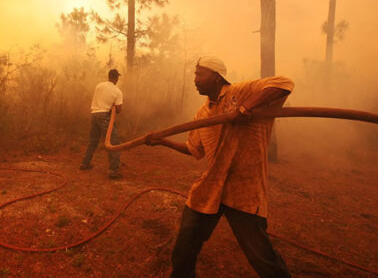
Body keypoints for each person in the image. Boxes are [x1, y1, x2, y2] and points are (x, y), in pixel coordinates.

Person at [146, 56, 293, 277]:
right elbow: (194, 149)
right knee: (186, 241)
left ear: (216, 77)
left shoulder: (240, 92)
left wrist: (245, 107)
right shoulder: (203, 114)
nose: (194, 79)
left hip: (244, 189)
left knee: (260, 256)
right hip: (212, 187)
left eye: (199, 74)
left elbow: (284, 84)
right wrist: (163, 141)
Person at [80, 68, 124, 179]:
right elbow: (118, 110)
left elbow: (100, 99)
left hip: (94, 114)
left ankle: (85, 163)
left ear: (108, 76)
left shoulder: (99, 86)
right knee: (114, 142)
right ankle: (113, 170)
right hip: (104, 116)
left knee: (93, 141)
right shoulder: (117, 91)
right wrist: (113, 105)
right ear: (116, 78)